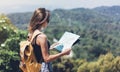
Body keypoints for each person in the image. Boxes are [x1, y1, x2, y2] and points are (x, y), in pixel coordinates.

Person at [27, 8, 71, 72]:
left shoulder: (31, 33)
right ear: (43, 21)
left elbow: (36, 50)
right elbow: (47, 59)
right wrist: (64, 53)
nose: (48, 22)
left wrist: (50, 47)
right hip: (43, 69)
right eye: (48, 20)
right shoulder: (42, 37)